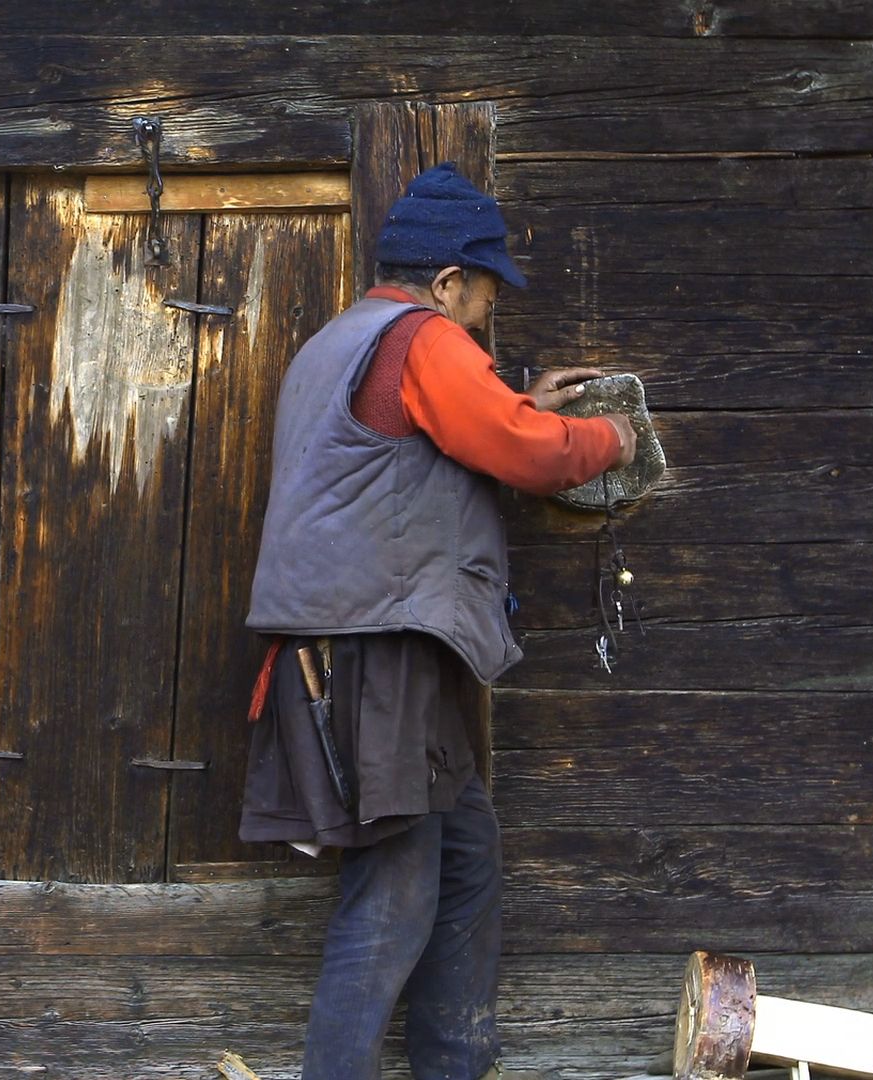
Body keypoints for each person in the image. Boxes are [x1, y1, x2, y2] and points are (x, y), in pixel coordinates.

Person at [238, 162, 637, 1080]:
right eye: (486, 291)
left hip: (365, 648)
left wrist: (514, 404)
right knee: (396, 891)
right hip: (376, 654)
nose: (488, 316)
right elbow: (524, 451)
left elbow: (428, 440)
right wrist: (615, 437)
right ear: (448, 281)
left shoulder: (341, 341)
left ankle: (454, 1066)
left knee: (464, 859)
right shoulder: (422, 337)